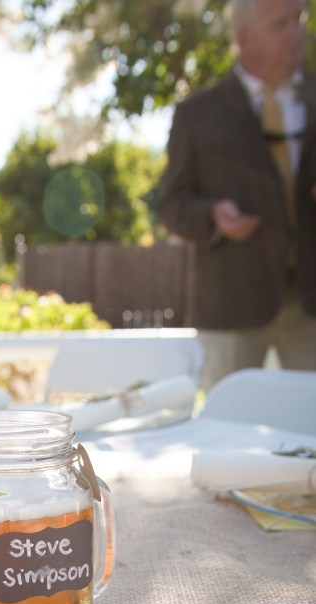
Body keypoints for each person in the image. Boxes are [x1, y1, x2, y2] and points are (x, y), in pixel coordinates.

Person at [157, 0, 316, 391]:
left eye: (299, 20)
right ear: (243, 39)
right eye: (280, 25)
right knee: (226, 434)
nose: (296, 33)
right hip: (231, 306)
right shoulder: (198, 114)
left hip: (310, 304)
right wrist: (213, 216)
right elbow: (171, 205)